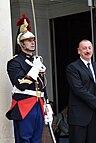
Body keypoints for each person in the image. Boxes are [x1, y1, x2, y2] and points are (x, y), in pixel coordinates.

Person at [6, 14, 53, 143]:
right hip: (24, 105)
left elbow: (42, 85)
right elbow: (21, 84)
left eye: (33, 39)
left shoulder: (36, 61)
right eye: (28, 40)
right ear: (21, 43)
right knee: (24, 139)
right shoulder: (14, 62)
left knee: (37, 139)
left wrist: (47, 104)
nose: (33, 42)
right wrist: (34, 69)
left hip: (39, 104)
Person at [66, 39, 96, 143]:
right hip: (78, 116)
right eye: (84, 48)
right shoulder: (72, 68)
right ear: (79, 51)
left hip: (94, 116)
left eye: (89, 48)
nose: (87, 51)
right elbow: (78, 89)